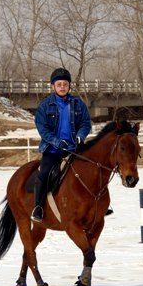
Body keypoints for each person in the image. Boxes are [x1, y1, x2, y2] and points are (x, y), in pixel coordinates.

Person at [31, 68, 91, 223]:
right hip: (52, 150)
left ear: (69, 86)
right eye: (59, 84)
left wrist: (80, 136)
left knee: (92, 170)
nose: (62, 87)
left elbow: (85, 123)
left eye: (65, 84)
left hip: (74, 149)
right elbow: (42, 129)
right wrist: (58, 142)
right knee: (43, 174)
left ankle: (100, 204)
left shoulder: (78, 104)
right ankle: (38, 207)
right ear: (53, 86)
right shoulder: (44, 106)